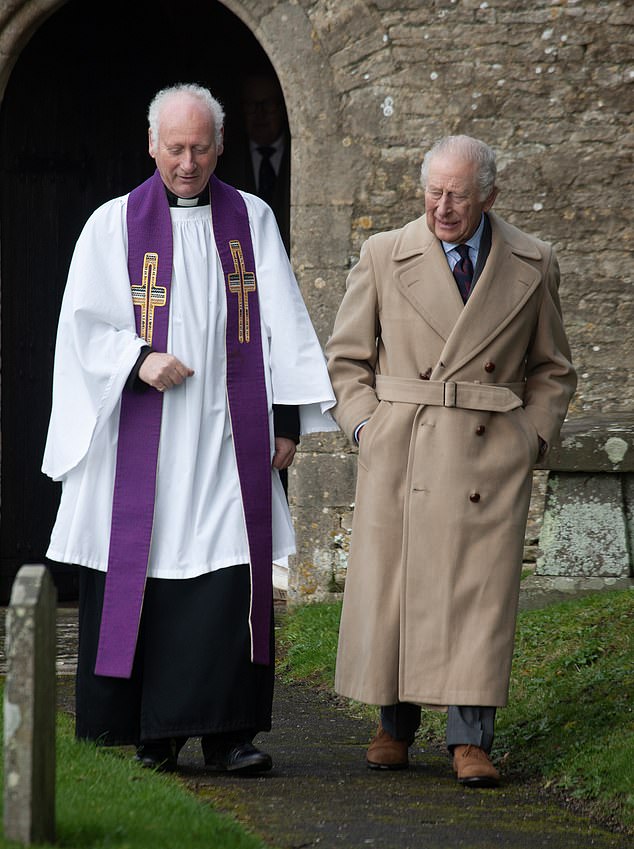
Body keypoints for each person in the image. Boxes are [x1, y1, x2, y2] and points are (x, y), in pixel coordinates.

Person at [42, 83, 337, 774]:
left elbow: (285, 321)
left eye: (200, 147)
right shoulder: (113, 225)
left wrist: (287, 416)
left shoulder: (252, 218)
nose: (187, 161)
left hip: (227, 437)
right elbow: (82, 326)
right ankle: (152, 734)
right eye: (174, 147)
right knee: (144, 573)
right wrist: (138, 358)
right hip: (144, 440)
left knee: (231, 575)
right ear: (152, 145)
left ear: (220, 146)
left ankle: (229, 733)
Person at [325, 135, 576, 788]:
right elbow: (347, 359)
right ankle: (394, 726)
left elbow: (553, 368)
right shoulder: (385, 254)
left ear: (489, 194)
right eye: (434, 192)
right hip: (403, 446)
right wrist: (365, 427)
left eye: (457, 195)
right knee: (396, 593)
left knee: (478, 599)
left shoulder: (532, 259)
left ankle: (470, 738)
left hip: (488, 457)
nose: (442, 207)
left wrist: (531, 439)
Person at [216, 71, 290, 253]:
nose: (260, 114)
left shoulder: (297, 156)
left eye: (268, 104)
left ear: (282, 108)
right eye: (251, 106)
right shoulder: (223, 162)